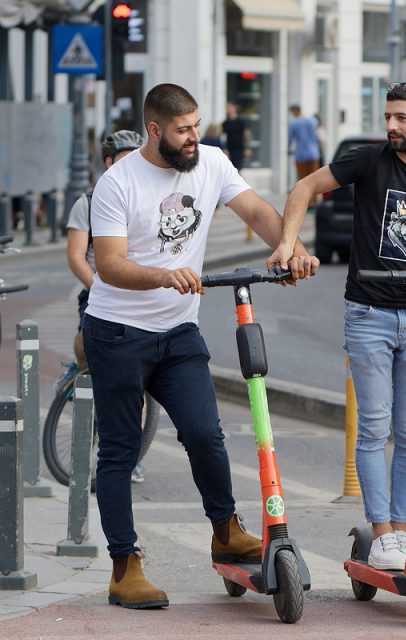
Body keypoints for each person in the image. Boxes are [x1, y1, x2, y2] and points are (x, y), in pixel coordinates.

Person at [84, 83, 317, 609]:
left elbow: (256, 211)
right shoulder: (118, 184)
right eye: (183, 130)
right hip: (118, 332)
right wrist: (166, 276)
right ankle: (125, 565)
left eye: (197, 127)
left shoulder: (211, 161)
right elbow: (111, 265)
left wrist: (291, 249)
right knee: (120, 449)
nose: (194, 138)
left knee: (205, 433)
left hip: (177, 334)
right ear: (154, 130)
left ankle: (226, 529)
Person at [270, 81, 406, 571]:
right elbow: (305, 187)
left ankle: (402, 528)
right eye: (388, 117)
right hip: (368, 313)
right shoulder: (368, 161)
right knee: (373, 427)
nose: (391, 126)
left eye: (401, 119)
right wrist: (289, 242)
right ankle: (383, 533)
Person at [65, 130, 147, 484]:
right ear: (110, 162)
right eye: (124, 157)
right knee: (87, 340)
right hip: (102, 286)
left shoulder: (148, 194)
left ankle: (134, 455)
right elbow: (76, 256)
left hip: (143, 288)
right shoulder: (88, 200)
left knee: (137, 385)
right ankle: (78, 366)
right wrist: (102, 286)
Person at [221, 102, 248, 170]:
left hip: (239, 148)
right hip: (229, 149)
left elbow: (246, 135)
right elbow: (222, 136)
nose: (228, 109)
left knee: (238, 168)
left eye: (230, 107)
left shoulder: (240, 121)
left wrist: (247, 147)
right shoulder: (225, 123)